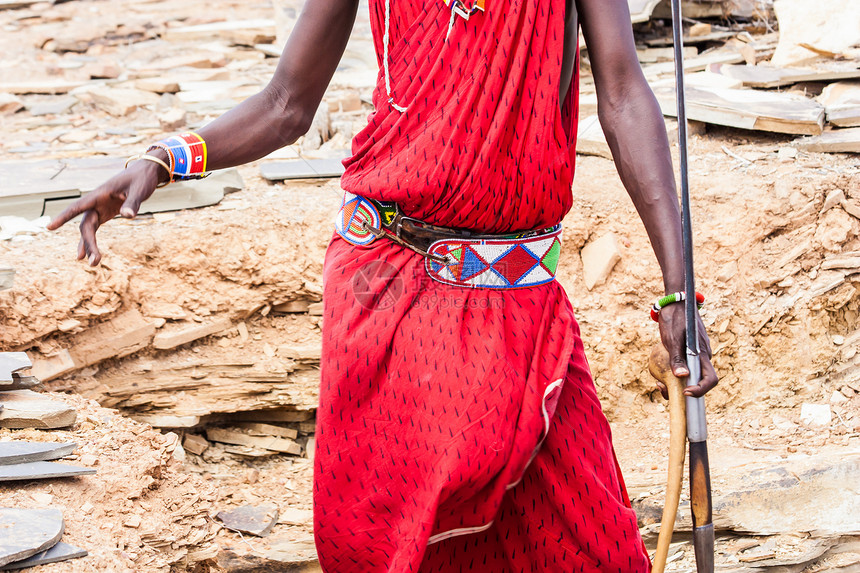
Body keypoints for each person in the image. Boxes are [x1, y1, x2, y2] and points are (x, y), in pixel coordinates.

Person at [49, 0, 719, 570]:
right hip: (389, 297)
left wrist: (677, 286)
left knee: (589, 540)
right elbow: (286, 103)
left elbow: (625, 94)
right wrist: (163, 158)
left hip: (522, 305)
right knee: (395, 548)